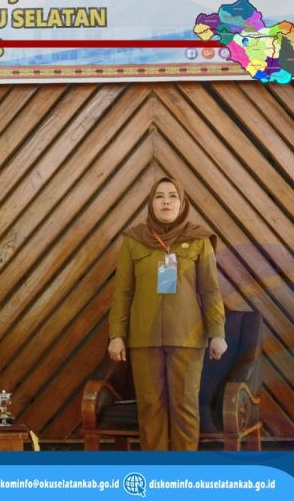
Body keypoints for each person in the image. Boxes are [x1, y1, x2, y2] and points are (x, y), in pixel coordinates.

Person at [108, 177, 227, 451]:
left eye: (173, 196)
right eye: (159, 196)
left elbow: (211, 290)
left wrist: (218, 333)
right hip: (144, 339)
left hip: (187, 339)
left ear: (182, 203)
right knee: (150, 408)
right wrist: (116, 335)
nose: (166, 202)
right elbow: (123, 292)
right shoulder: (133, 240)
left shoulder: (199, 240)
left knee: (185, 407)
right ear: (151, 203)